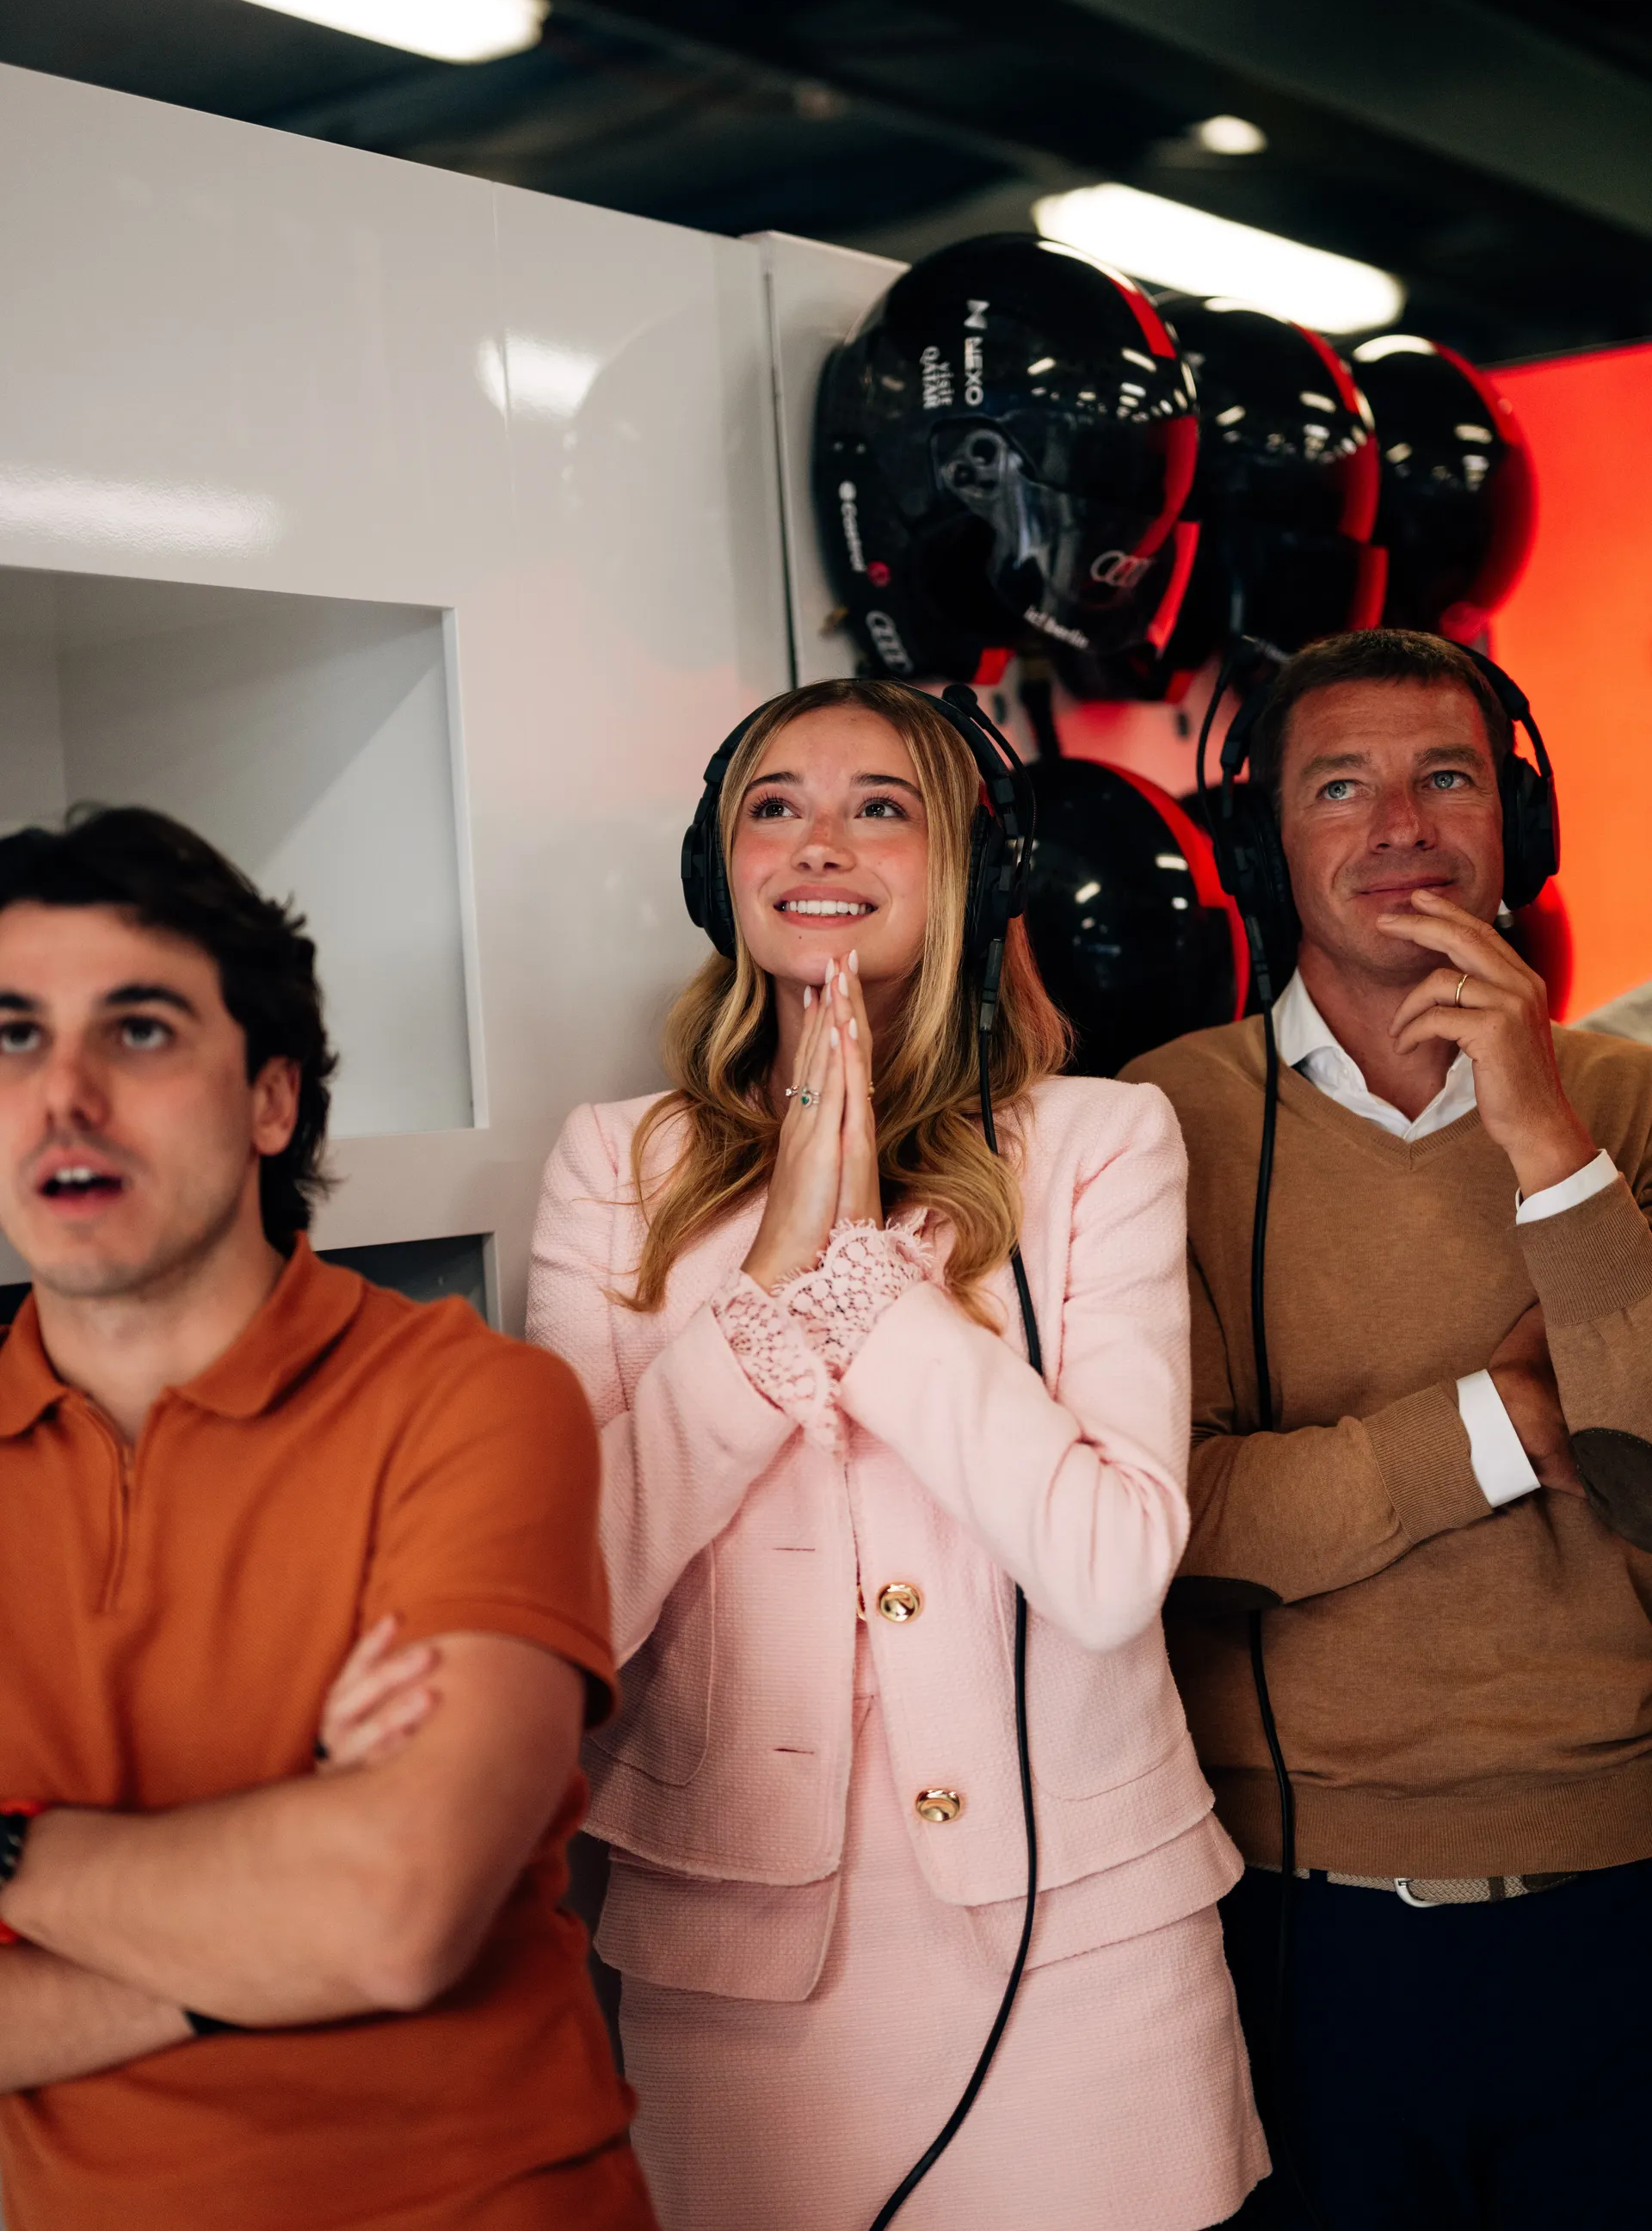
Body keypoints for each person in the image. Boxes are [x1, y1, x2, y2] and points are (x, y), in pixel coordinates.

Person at [523, 677, 1266, 2231]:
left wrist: (851, 1278)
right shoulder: (617, 1164)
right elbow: (568, 1598)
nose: (821, 842)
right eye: (774, 805)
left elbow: (1112, 1562)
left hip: (1085, 1965)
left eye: (883, 805)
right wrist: (773, 1261)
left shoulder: (1099, 1145)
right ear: (716, 869)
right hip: (733, 1980)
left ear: (974, 869)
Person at [0, 807, 656, 2231]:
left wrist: (17, 1857)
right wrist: (284, 1869)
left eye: (140, 1031)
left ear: (272, 1101)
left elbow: (395, 1913)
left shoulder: (474, 1407)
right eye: (13, 1036)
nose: (63, 1096)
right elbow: (345, 1917)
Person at [1123, 628, 1652, 2228]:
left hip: (1619, 1896)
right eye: (1341, 787)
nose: (1402, 825)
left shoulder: (1626, 1107)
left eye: (1450, 780)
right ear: (1264, 846)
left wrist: (1548, 1143)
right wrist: (1510, 1411)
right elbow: (1181, 1524)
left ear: (1516, 827)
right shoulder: (1156, 1119)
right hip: (1297, 1921)